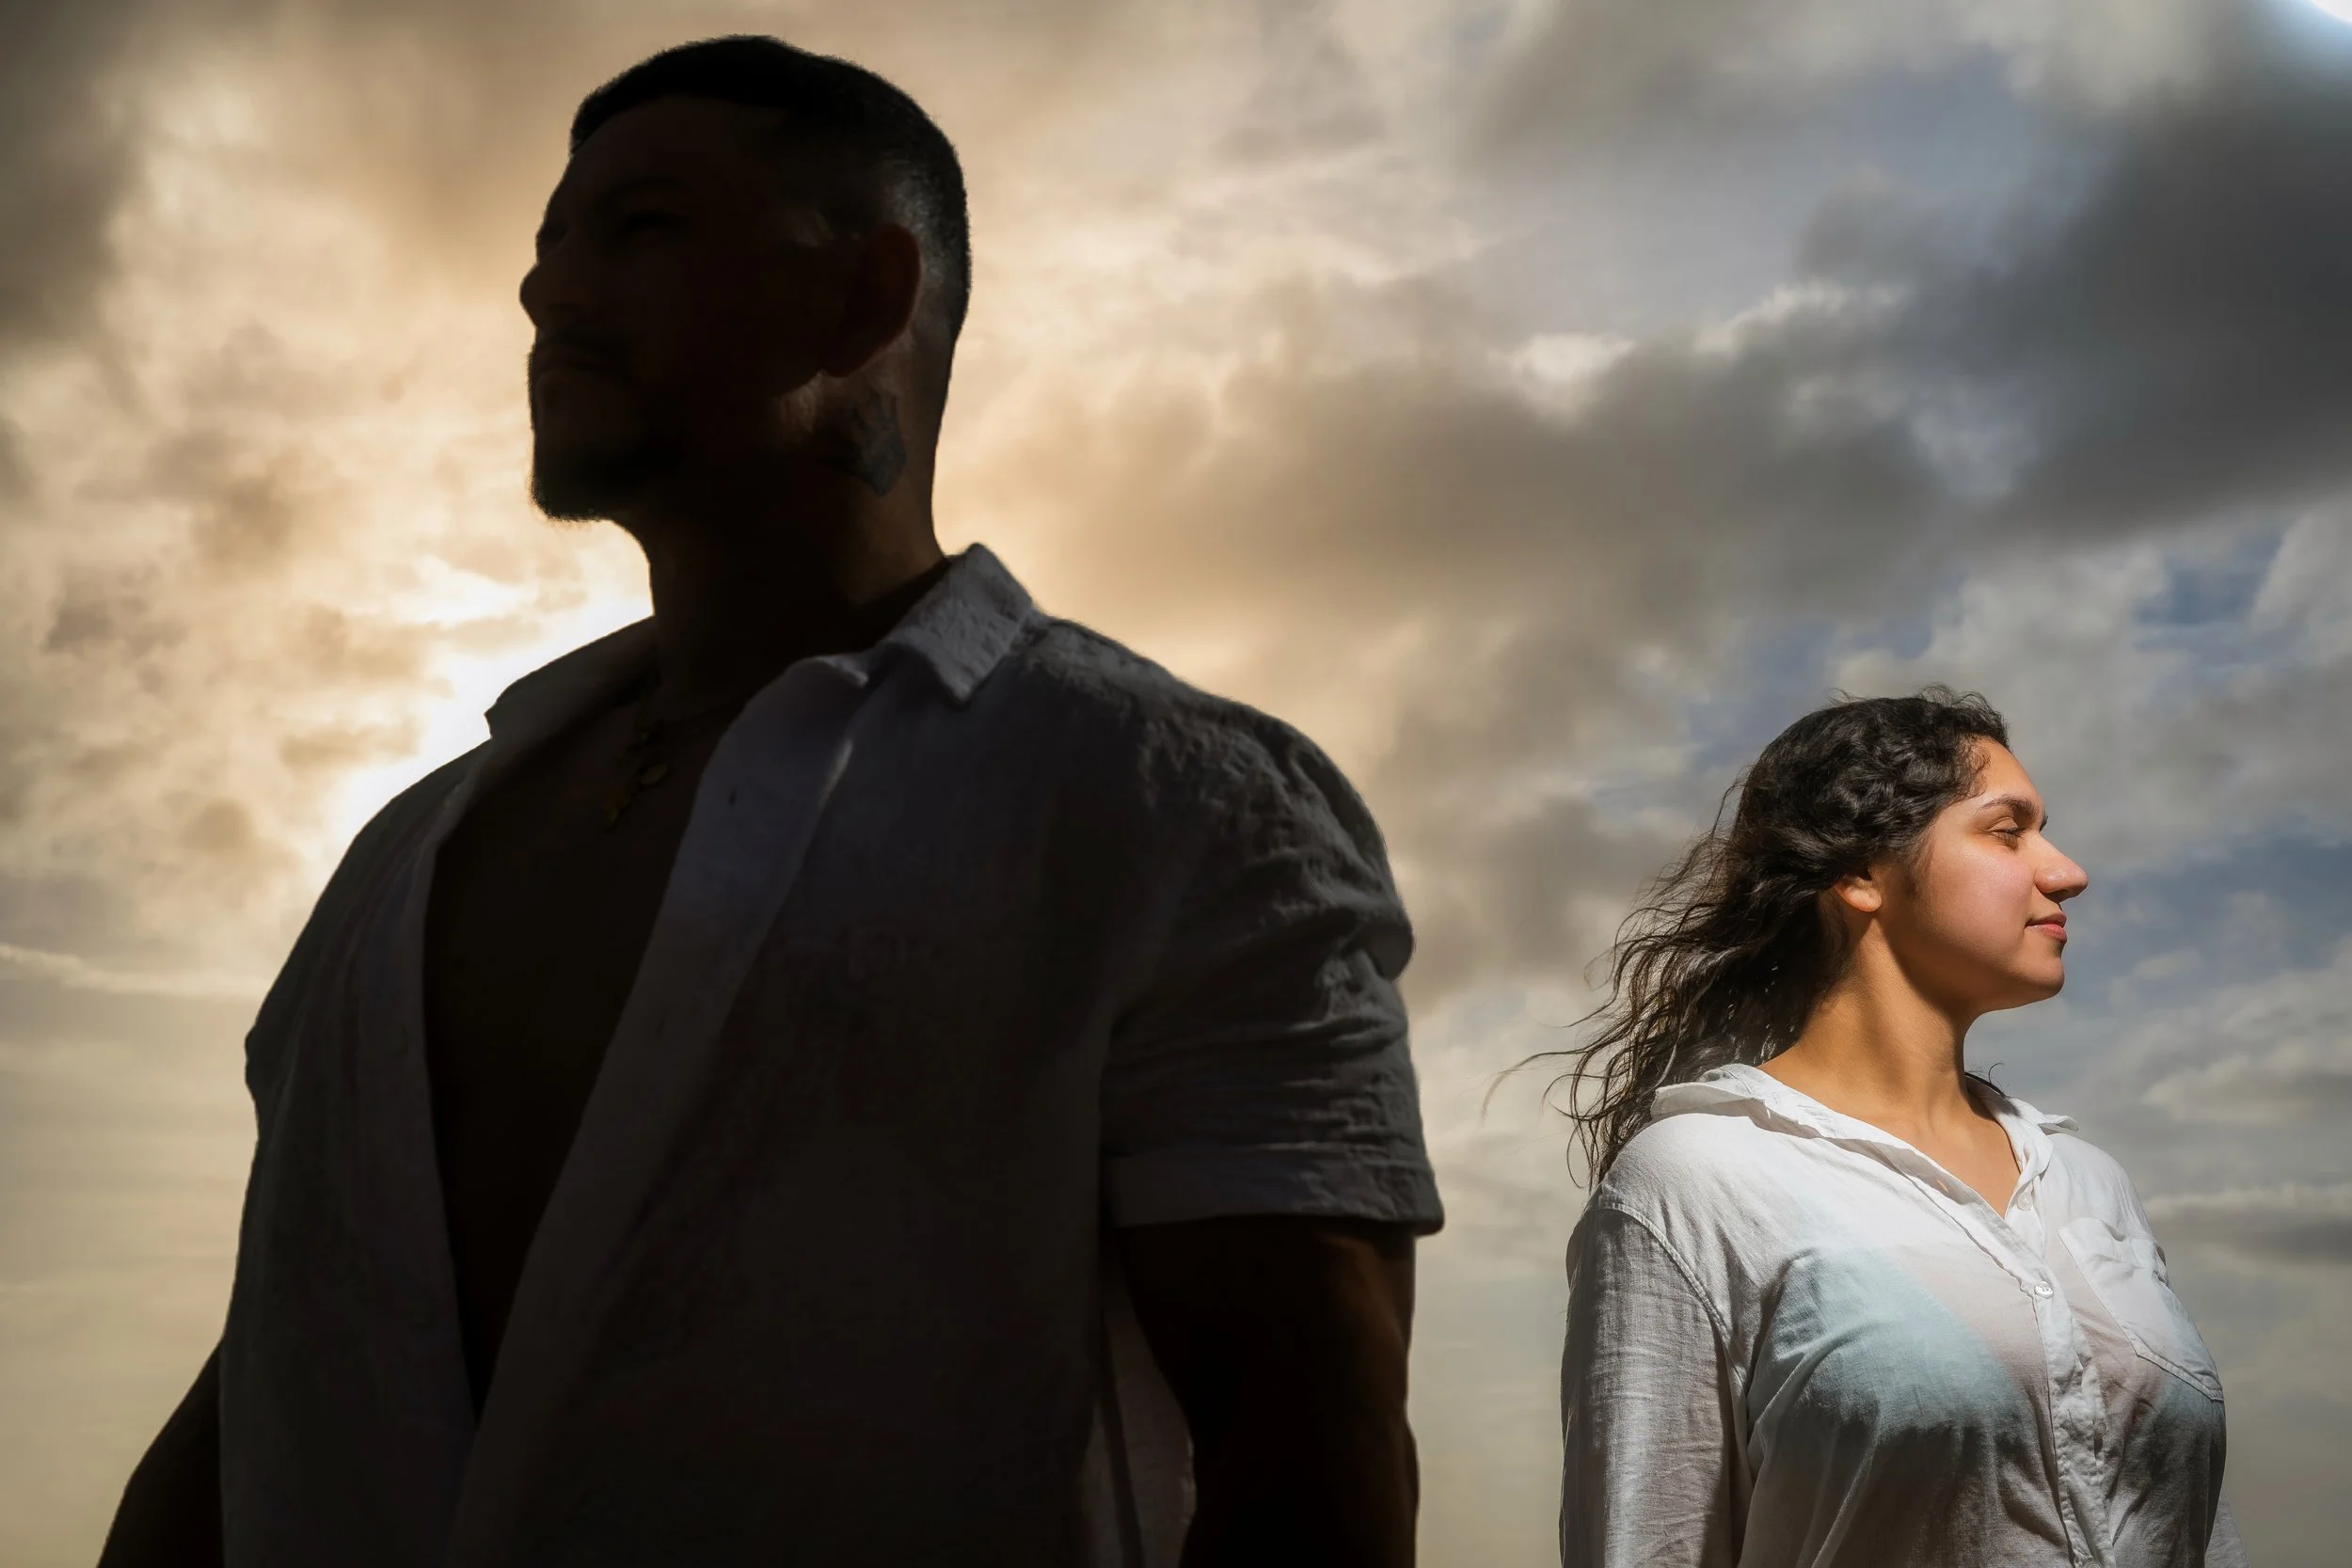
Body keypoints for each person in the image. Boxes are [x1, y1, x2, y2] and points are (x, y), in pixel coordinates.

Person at [98, 36, 1441, 1568]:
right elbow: (271, 1390)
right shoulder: (407, 850)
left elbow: (1309, 1460)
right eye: (543, 252)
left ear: (865, 297)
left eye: (642, 227)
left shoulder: (1173, 808)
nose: (545, 294)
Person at [1552, 689, 2245, 1567]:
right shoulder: (1696, 1180)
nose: (2066, 871)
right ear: (1863, 873)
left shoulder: (2088, 1181)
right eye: (2007, 831)